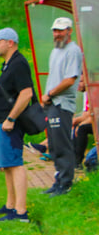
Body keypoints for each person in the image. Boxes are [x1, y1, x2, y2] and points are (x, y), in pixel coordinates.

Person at [0, 27, 35, 222]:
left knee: (15, 164)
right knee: (6, 165)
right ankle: (10, 204)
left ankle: (21, 212)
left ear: (10, 42)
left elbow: (26, 93)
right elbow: (11, 91)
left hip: (8, 124)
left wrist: (11, 119)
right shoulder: (8, 64)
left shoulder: (19, 63)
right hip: (0, 121)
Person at [40, 16, 83, 196]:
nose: (57, 34)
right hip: (52, 103)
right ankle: (58, 180)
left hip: (62, 103)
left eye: (61, 30)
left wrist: (50, 94)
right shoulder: (55, 51)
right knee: (54, 145)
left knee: (63, 144)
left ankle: (66, 183)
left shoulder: (73, 51)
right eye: (55, 31)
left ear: (69, 31)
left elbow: (69, 80)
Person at [73, 79, 92, 168]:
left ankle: (77, 161)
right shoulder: (86, 93)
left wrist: (81, 123)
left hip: (96, 121)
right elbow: (86, 114)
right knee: (75, 125)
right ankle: (72, 157)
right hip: (94, 120)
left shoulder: (94, 92)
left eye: (80, 81)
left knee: (82, 128)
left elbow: (94, 114)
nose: (77, 84)